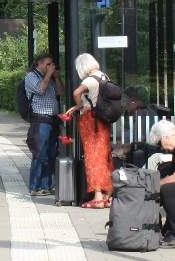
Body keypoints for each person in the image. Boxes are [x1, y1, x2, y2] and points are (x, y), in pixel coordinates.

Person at [65, 53, 114, 209]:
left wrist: (79, 105)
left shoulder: (89, 80)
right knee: (104, 156)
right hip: (103, 120)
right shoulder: (104, 76)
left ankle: (97, 197)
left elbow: (76, 93)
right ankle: (107, 195)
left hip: (91, 121)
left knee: (93, 157)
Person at [23, 53, 64, 196]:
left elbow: (61, 92)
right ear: (39, 64)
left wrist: (57, 77)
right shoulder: (31, 77)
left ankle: (46, 186)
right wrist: (49, 75)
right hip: (40, 120)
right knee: (40, 154)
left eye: (52, 64)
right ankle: (34, 186)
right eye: (48, 64)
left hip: (52, 120)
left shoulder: (51, 78)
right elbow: (40, 89)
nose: (51, 67)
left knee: (51, 153)